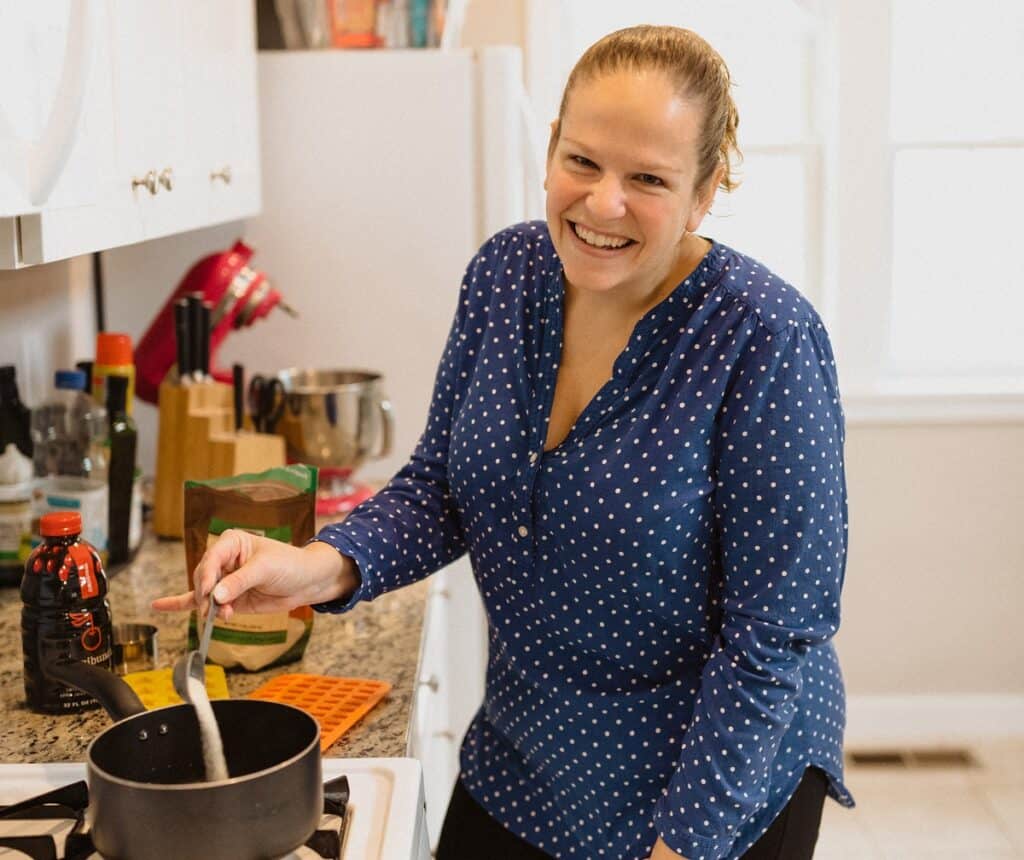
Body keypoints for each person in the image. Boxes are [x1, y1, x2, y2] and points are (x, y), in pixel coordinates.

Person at [155, 25, 854, 860]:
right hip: (529, 756)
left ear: (704, 195)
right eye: (583, 161)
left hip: (711, 781)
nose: (602, 204)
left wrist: (686, 844)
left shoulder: (762, 338)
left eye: (649, 180)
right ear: (551, 146)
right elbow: (441, 489)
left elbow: (774, 635)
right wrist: (314, 565)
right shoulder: (505, 274)